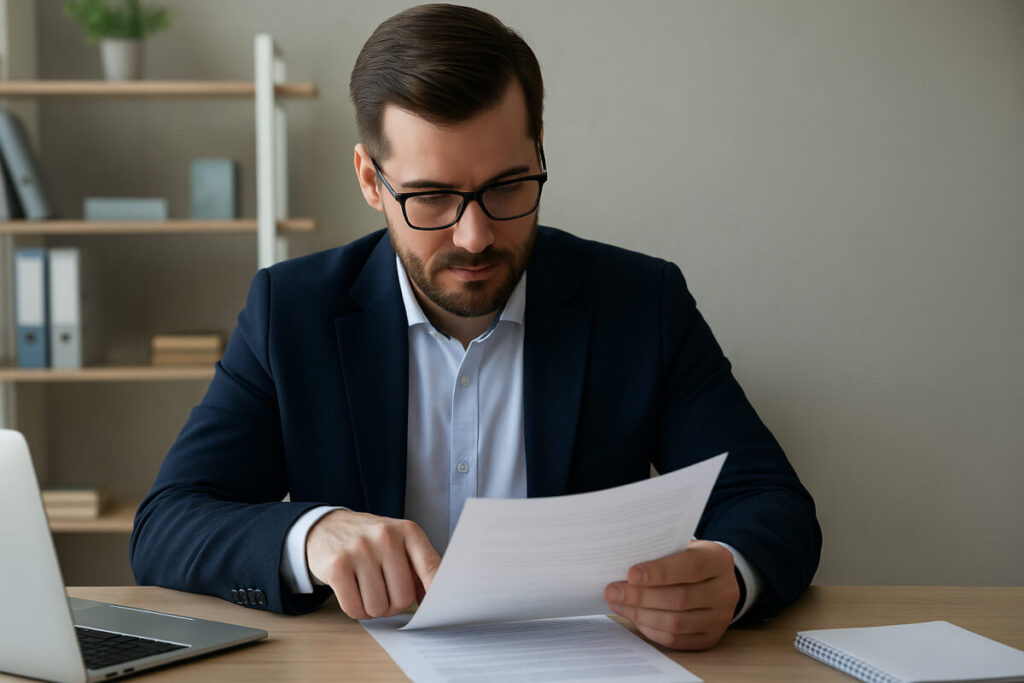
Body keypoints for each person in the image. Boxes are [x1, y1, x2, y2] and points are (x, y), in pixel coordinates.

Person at [130, 4, 821, 651]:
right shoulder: (293, 311)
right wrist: (310, 535)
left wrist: (730, 575)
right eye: (432, 196)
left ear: (539, 149)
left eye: (507, 186)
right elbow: (168, 523)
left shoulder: (642, 303)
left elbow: (770, 501)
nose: (475, 234)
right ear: (371, 180)